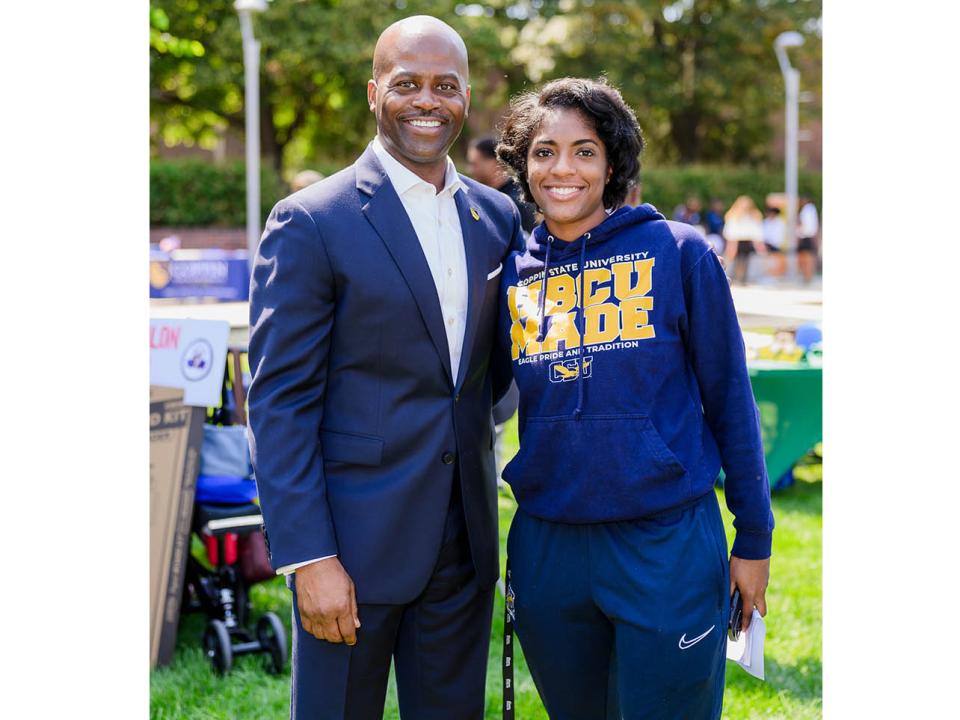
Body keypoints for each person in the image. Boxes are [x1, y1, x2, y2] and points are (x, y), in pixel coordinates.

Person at [247, 15, 522, 719]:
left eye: (446, 85)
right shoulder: (311, 221)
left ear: (466, 100)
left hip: (462, 549)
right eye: (407, 84)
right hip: (349, 554)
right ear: (375, 93)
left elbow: (490, 378)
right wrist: (309, 557)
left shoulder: (497, 219)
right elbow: (280, 403)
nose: (427, 100)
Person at [495, 77, 773, 719]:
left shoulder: (678, 253)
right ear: (523, 163)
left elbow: (731, 400)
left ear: (612, 162)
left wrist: (753, 538)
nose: (562, 168)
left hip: (665, 540)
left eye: (584, 151)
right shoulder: (513, 274)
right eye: (544, 151)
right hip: (549, 544)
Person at [467, 134, 537, 237]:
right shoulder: (486, 196)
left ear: (494, 163)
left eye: (475, 164)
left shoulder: (514, 202)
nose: (471, 170)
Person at [723, 194, 765, 285]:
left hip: (747, 241)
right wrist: (731, 245)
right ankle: (733, 277)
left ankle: (742, 278)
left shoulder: (754, 216)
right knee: (735, 260)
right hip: (736, 241)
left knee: (745, 260)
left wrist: (759, 245)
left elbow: (756, 231)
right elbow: (730, 231)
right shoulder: (733, 215)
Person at [797, 195, 820, 283]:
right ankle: (807, 277)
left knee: (806, 258)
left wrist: (799, 232)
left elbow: (805, 226)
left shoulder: (807, 210)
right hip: (808, 236)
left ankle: (807, 277)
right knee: (807, 258)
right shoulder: (811, 210)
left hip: (806, 237)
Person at [762, 205, 787, 278]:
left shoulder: (780, 223)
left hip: (776, 244)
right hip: (766, 244)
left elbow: (779, 236)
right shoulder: (765, 222)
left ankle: (776, 274)